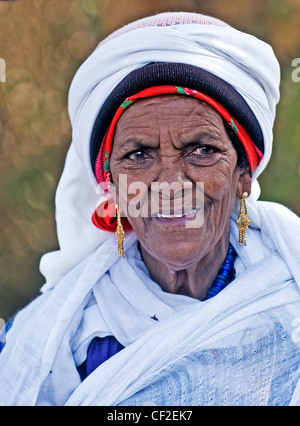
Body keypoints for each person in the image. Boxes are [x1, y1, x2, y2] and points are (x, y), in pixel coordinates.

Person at [0, 11, 300, 406]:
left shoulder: (288, 303)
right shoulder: (54, 341)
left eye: (202, 150)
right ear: (111, 186)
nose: (171, 184)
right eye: (139, 154)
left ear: (243, 173)